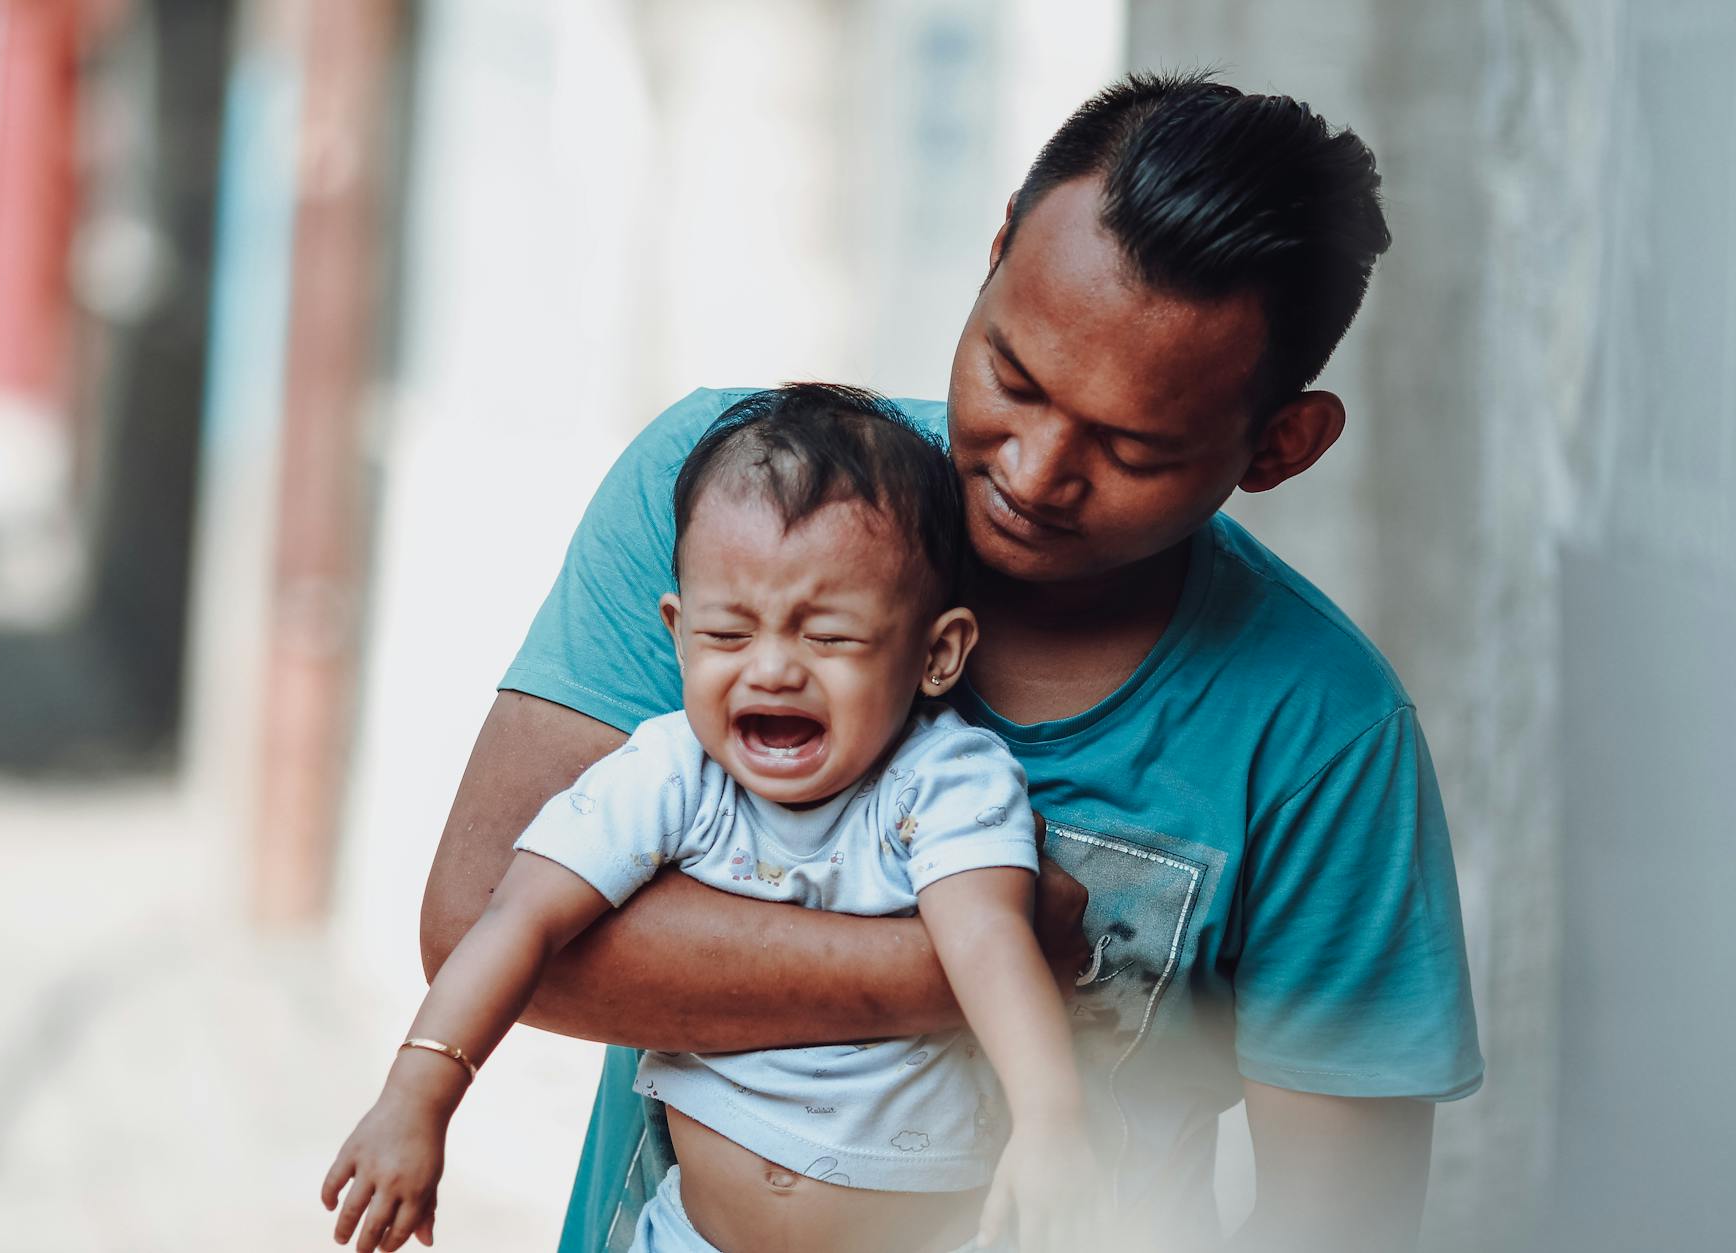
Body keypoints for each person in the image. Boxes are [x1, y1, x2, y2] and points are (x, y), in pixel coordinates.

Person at [422, 71, 1483, 1253]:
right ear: (990, 262)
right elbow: (480, 924)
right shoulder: (736, 502)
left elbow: (1331, 1226)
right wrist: (970, 961)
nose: (1032, 470)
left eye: (1130, 446)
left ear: (1280, 446)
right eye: (1011, 377)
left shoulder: (1322, 733)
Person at [326, 386, 1106, 1253]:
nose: (772, 669)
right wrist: (417, 1096)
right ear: (678, 631)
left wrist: (1050, 1125)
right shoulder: (670, 774)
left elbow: (993, 940)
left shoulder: (944, 781)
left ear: (936, 653)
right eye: (729, 634)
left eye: (830, 638)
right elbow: (517, 916)